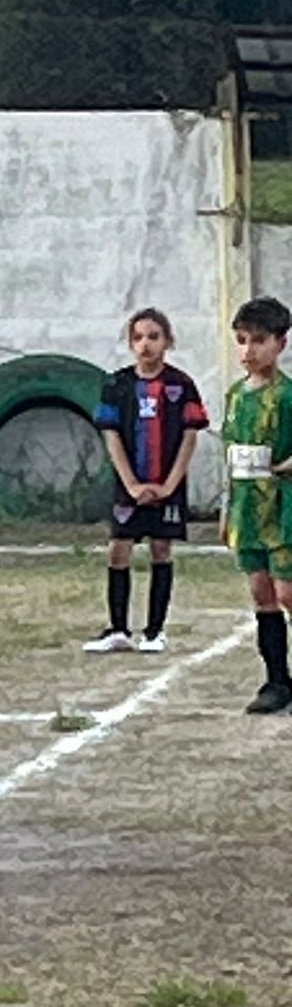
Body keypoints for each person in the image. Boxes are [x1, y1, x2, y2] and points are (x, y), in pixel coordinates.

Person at [84, 308, 209, 654]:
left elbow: (189, 436)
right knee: (118, 550)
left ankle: (154, 631)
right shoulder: (116, 385)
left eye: (154, 337)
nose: (146, 344)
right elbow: (112, 438)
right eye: (138, 337)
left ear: (168, 341)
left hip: (167, 483)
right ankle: (118, 629)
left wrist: (169, 484)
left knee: (161, 548)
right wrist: (131, 484)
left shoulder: (181, 385)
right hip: (130, 484)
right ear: (130, 343)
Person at [219, 295, 292, 715]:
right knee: (260, 591)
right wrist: (227, 510)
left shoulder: (286, 397)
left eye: (258, 341)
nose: (248, 350)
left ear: (280, 344)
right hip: (248, 508)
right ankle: (276, 680)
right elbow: (230, 455)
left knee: (287, 591)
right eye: (242, 341)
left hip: (282, 508)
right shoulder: (235, 396)